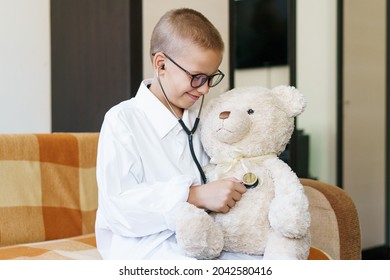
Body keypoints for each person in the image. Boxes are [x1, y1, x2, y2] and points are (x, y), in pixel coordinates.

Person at [95, 8, 252, 260]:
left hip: (205, 238)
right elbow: (119, 209)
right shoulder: (122, 120)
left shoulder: (208, 118)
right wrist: (194, 196)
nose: (204, 89)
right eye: (197, 77)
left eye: (212, 78)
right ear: (161, 64)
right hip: (144, 246)